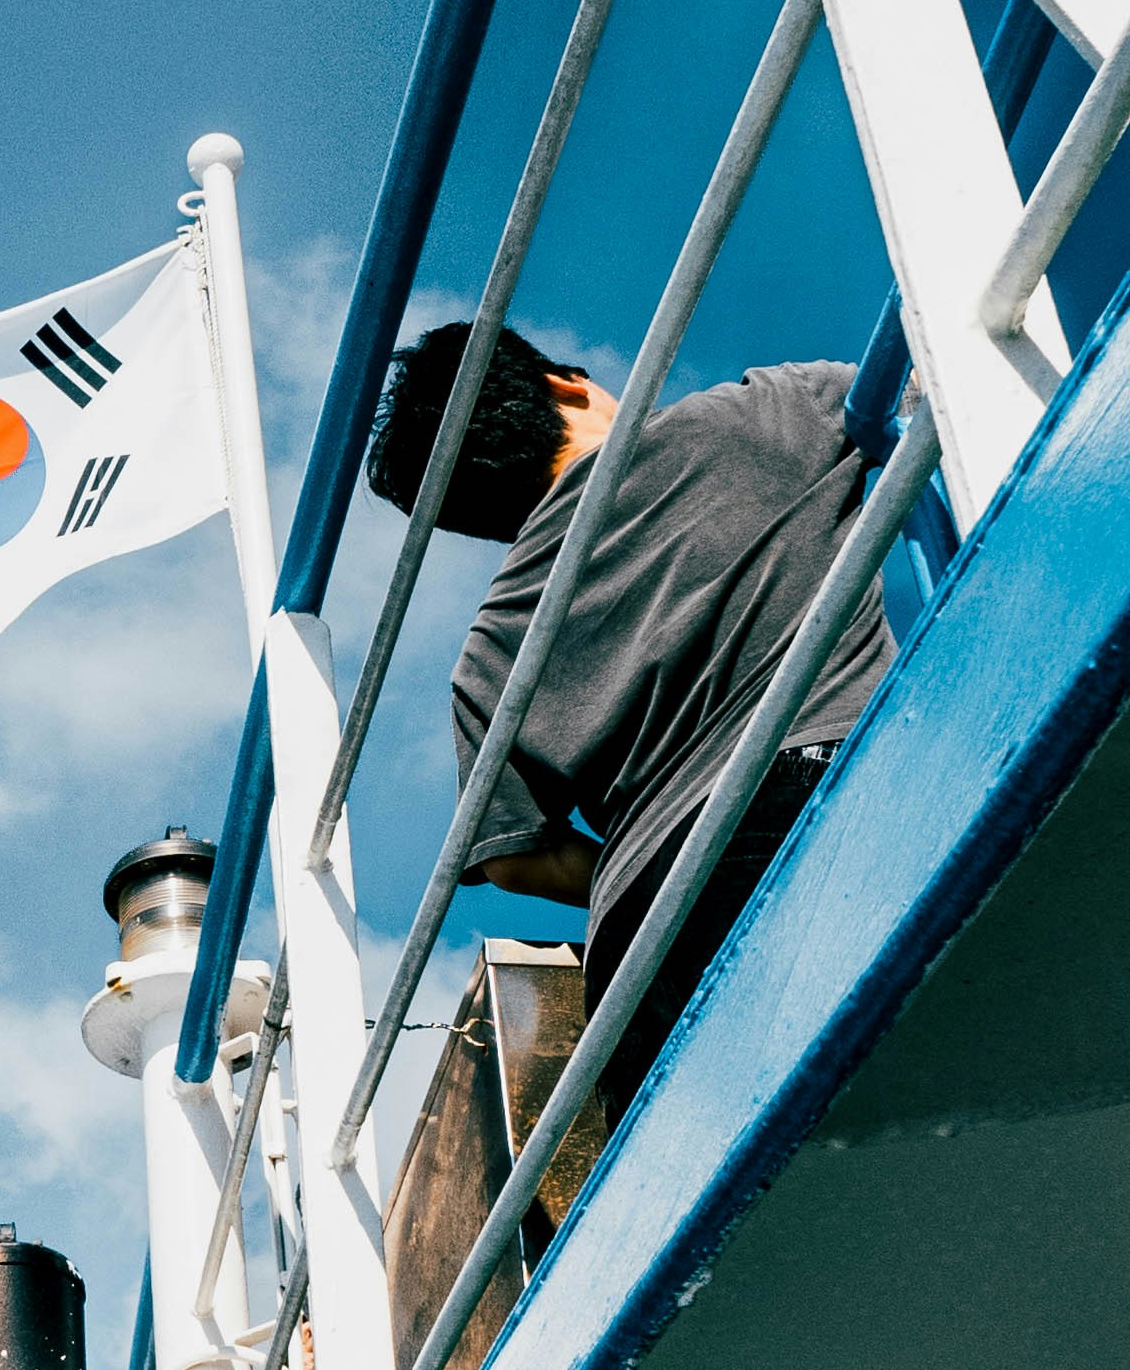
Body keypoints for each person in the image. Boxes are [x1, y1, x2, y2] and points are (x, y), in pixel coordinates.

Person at [364, 323, 894, 1119]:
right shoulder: (755, 414)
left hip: (646, 945)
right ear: (570, 386)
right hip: (835, 803)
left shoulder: (488, 651)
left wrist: (649, 866)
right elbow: (927, 375)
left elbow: (515, 858)